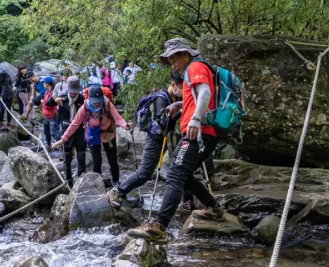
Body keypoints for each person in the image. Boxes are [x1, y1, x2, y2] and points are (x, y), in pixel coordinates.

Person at [128, 38, 225, 243]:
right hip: (204, 133)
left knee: (175, 175)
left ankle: (159, 226)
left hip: (198, 133)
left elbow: (205, 93)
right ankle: (214, 208)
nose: (172, 64)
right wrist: (180, 105)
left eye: (175, 59)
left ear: (186, 54)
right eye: (170, 60)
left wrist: (196, 119)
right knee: (185, 175)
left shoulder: (195, 67)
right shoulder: (194, 69)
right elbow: (199, 95)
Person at [107, 73, 182, 209]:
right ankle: (116, 191)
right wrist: (180, 111)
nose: (182, 91)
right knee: (144, 174)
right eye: (180, 88)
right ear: (172, 84)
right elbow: (163, 122)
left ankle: (187, 200)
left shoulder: (173, 97)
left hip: (165, 138)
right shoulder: (162, 99)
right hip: (155, 139)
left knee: (178, 169)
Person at [54, 82, 128, 186]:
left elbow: (118, 118)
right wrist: (63, 139)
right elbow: (74, 124)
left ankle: (116, 183)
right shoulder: (85, 106)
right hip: (92, 135)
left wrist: (126, 125)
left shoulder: (107, 104)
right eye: (94, 102)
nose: (97, 104)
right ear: (89, 99)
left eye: (98, 101)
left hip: (108, 134)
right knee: (97, 161)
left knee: (113, 161)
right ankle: (97, 184)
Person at [53, 77, 87, 184]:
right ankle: (68, 180)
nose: (73, 93)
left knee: (81, 155)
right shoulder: (62, 99)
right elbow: (47, 103)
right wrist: (54, 99)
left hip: (80, 130)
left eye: (75, 91)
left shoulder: (83, 99)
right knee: (67, 157)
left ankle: (81, 181)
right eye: (71, 91)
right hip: (66, 128)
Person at [37, 76, 58, 144]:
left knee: (54, 132)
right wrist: (44, 103)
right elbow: (46, 104)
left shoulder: (53, 93)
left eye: (43, 83)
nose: (43, 84)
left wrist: (43, 103)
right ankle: (49, 145)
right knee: (46, 131)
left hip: (52, 116)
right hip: (47, 116)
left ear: (47, 84)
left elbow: (49, 105)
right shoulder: (46, 92)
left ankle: (57, 147)